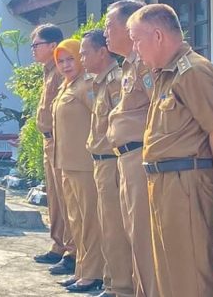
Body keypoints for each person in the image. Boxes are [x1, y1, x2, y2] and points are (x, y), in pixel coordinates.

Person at [127, 4, 213, 297]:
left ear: (157, 36)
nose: (135, 48)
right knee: (170, 273)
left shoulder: (193, 71)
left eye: (137, 40)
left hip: (186, 182)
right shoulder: (166, 74)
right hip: (165, 182)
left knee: (190, 275)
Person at [104, 0, 157, 297]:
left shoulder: (144, 64)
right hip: (125, 156)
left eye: (109, 26)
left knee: (144, 238)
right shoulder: (128, 65)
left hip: (141, 155)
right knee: (133, 235)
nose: (105, 32)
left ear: (129, 27)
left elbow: (160, 111)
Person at [80, 29, 134, 297]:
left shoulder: (116, 81)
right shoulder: (99, 82)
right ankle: (111, 282)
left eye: (85, 53)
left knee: (115, 228)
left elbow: (119, 125)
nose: (81, 59)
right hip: (101, 162)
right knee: (105, 227)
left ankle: (121, 287)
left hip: (112, 162)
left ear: (102, 52)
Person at [52, 39, 104, 293]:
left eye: (70, 59)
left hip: (85, 164)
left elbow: (101, 117)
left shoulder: (87, 85)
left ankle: (93, 273)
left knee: (89, 221)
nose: (66, 65)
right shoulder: (66, 86)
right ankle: (82, 269)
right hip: (66, 164)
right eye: (60, 61)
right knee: (76, 222)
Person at [30, 24, 77, 274]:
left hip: (61, 141)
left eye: (36, 45)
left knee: (66, 198)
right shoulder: (48, 71)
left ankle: (72, 250)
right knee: (55, 198)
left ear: (52, 45)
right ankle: (59, 245)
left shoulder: (60, 71)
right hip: (49, 140)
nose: (33, 50)